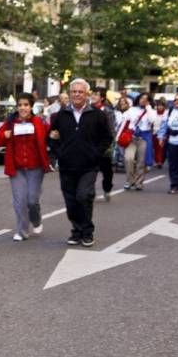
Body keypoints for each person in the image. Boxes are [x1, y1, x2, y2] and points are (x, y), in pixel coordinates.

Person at [48, 78, 112, 247]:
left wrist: (95, 154)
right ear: (70, 94)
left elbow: (107, 138)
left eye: (80, 92)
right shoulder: (61, 115)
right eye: (74, 92)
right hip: (67, 166)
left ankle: (87, 231)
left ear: (87, 95)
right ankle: (76, 232)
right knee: (71, 201)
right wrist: (58, 154)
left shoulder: (98, 115)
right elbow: (52, 137)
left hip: (88, 166)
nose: (76, 94)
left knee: (83, 196)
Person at [0, 93, 50, 241]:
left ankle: (36, 220)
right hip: (17, 169)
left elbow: (50, 135)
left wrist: (55, 136)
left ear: (31, 106)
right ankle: (22, 231)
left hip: (35, 168)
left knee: (32, 200)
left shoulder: (39, 122)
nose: (22, 108)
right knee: (20, 201)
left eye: (26, 105)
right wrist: (4, 136)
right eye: (20, 105)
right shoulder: (10, 122)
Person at [117, 92, 156, 191]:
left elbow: (152, 120)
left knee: (141, 162)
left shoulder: (151, 111)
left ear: (149, 101)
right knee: (128, 158)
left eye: (146, 99)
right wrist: (117, 137)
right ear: (138, 99)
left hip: (144, 138)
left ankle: (139, 182)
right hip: (132, 137)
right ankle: (129, 181)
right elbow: (124, 123)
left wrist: (148, 108)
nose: (143, 100)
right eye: (142, 98)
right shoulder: (132, 110)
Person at [91, 87, 116, 201]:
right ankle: (90, 191)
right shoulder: (87, 110)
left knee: (107, 171)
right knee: (90, 170)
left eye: (96, 94)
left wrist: (109, 145)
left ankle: (107, 188)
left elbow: (111, 129)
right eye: (92, 94)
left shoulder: (108, 111)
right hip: (90, 144)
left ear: (102, 97)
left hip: (104, 145)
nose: (93, 96)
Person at [152, 98, 168, 168]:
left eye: (161, 106)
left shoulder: (166, 113)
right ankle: (157, 161)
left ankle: (160, 161)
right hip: (154, 133)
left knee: (161, 148)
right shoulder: (154, 113)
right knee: (155, 148)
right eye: (158, 105)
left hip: (162, 134)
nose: (160, 107)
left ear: (164, 106)